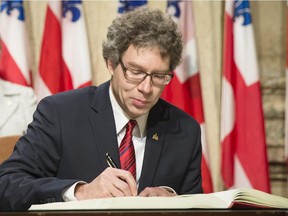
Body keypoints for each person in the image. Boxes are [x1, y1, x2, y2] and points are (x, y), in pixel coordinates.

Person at [0, 7, 203, 211]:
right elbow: (7, 185)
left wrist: (175, 199)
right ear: (111, 64)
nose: (146, 88)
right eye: (135, 72)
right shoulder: (60, 114)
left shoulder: (185, 130)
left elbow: (199, 206)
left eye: (159, 76)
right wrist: (79, 192)